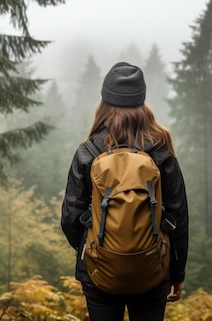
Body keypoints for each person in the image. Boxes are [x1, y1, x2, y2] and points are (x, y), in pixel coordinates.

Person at [61, 62, 189, 321]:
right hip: (152, 268)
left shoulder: (88, 151)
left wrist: (94, 251)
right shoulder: (161, 150)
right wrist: (177, 273)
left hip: (99, 272)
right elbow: (178, 216)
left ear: (104, 102)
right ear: (142, 102)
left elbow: (71, 218)